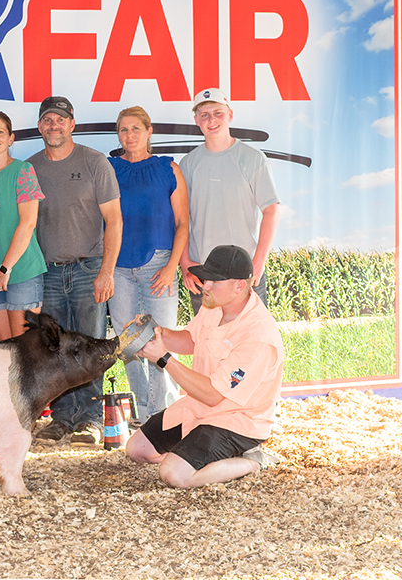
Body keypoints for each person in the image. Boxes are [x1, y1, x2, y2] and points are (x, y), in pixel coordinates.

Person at [127, 245, 285, 488]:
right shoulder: (214, 305)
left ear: (239, 286)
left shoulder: (258, 336)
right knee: (136, 449)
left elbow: (213, 395)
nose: (205, 286)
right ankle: (197, 457)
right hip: (199, 406)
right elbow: (191, 340)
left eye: (214, 281)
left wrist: (163, 358)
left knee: (174, 475)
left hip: (238, 420)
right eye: (205, 278)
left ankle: (254, 461)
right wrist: (155, 332)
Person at [27, 96, 122, 447]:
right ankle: (63, 418)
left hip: (88, 269)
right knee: (55, 347)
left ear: (72, 124)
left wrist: (106, 271)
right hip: (48, 272)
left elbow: (114, 220)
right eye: (48, 120)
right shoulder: (29, 168)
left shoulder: (95, 162)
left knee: (88, 345)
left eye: (60, 120)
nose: (54, 126)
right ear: (40, 126)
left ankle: (91, 419)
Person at [108, 106, 189, 425]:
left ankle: (165, 414)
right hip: (118, 267)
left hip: (158, 266)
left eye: (135, 129)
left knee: (161, 340)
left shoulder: (168, 168)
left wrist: (171, 267)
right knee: (128, 344)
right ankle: (143, 415)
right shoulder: (110, 169)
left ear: (149, 131)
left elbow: (182, 223)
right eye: (123, 130)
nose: (129, 135)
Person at [179, 88, 280, 312]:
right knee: (207, 334)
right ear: (196, 120)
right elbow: (181, 218)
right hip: (203, 272)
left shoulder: (253, 158)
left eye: (218, 113)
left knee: (251, 333)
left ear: (230, 115)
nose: (211, 120)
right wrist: (184, 262)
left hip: (243, 270)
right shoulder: (188, 164)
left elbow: (271, 210)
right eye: (204, 115)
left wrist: (258, 262)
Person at [0, 111, 46, 341]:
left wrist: (5, 269)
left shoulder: (23, 171)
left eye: (0, 132)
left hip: (21, 271)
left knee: (24, 349)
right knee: (5, 348)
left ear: (10, 138)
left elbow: (28, 224)